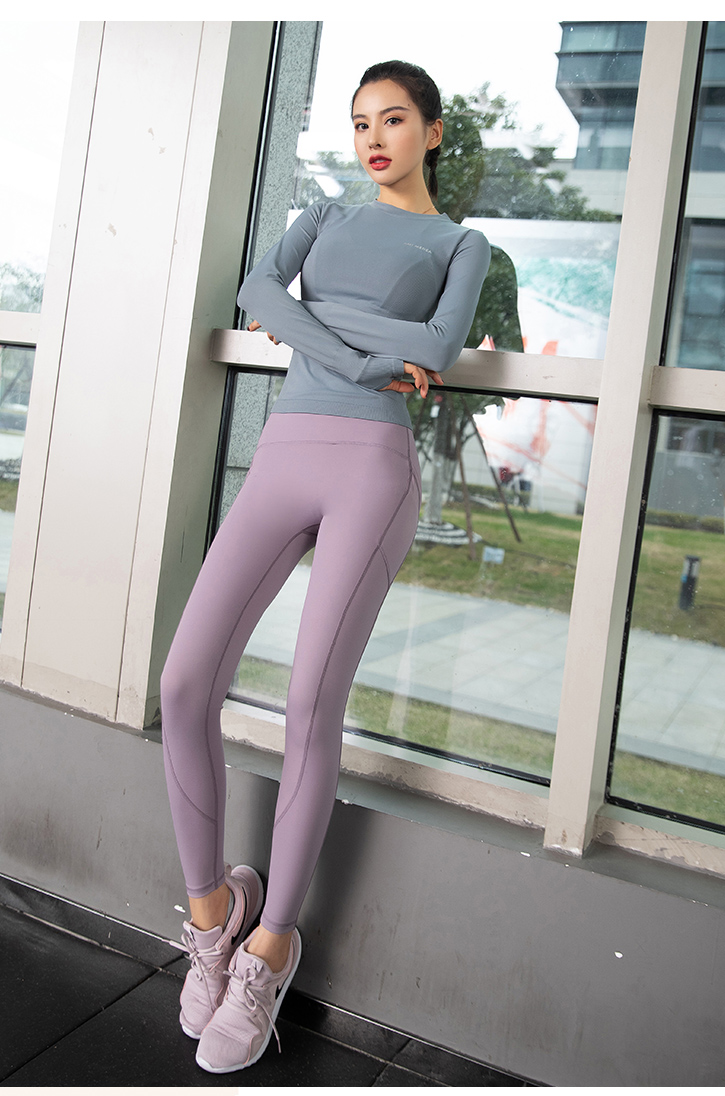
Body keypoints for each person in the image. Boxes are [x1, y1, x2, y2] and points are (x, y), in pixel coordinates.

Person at [160, 59, 491, 1075]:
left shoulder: (461, 244)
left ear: (432, 132)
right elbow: (257, 289)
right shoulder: (321, 217)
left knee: (309, 703)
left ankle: (268, 950)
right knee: (183, 684)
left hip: (372, 473)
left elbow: (440, 342)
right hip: (285, 454)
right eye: (359, 123)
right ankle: (214, 917)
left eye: (393, 119)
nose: (374, 138)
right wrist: (367, 355)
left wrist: (312, 328)